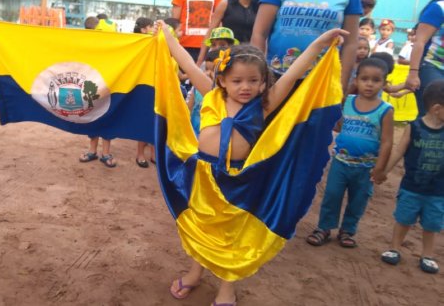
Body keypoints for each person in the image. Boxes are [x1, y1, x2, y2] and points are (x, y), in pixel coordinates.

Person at [159, 18, 347, 305]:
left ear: (263, 83)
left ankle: (227, 289)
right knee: (200, 227)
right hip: (203, 175)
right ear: (222, 79)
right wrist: (168, 37)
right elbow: (186, 61)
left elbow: (292, 75)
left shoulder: (264, 104)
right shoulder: (211, 93)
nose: (245, 87)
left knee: (233, 237)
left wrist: (319, 44)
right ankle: (195, 273)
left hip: (239, 182)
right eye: (237, 81)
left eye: (253, 81)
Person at [306, 58, 394, 248]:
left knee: (358, 200)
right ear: (356, 80)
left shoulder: (385, 110)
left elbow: (387, 141)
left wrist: (380, 168)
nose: (369, 84)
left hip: (366, 167)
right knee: (332, 195)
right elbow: (338, 126)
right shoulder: (347, 102)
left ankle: (348, 230)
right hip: (340, 162)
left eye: (376, 80)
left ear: (384, 84)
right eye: (364, 79)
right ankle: (324, 228)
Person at [380, 80, 444, 274]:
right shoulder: (414, 127)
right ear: (436, 108)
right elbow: (399, 151)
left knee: (432, 225)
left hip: (438, 191)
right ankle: (394, 248)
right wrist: (384, 171)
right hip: (411, 187)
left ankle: (427, 255)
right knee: (403, 219)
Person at [198, 0, 266, 64]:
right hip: (226, 58)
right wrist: (200, 60)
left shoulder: (260, 8)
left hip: (250, 59)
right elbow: (210, 31)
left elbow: (264, 37)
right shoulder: (225, 4)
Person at [79, 16, 117, 167]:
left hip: (110, 89)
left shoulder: (115, 49)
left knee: (108, 119)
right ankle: (92, 151)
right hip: (92, 89)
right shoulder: (88, 47)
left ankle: (106, 153)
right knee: (93, 118)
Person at [404, 0, 444, 115]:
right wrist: (413, 73)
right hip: (432, 66)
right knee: (432, 116)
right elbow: (420, 42)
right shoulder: (438, 8)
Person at [133, 17, 156, 168]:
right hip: (144, 87)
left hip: (157, 86)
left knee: (156, 122)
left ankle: (154, 154)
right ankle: (140, 154)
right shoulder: (139, 44)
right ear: (143, 29)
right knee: (144, 121)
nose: (154, 29)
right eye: (151, 27)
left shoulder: (158, 43)